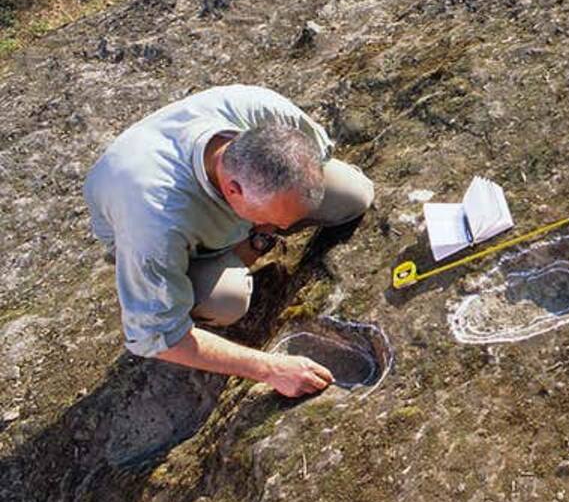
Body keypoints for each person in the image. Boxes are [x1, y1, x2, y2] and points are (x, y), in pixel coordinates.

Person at [83, 84, 375, 397]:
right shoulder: (154, 223)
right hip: (173, 234)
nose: (287, 229)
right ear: (233, 191)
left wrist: (267, 228)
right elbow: (156, 338)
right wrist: (271, 368)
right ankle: (219, 263)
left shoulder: (266, 113)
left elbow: (319, 163)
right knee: (226, 300)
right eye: (276, 220)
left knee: (353, 194)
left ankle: (249, 241)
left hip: (228, 205)